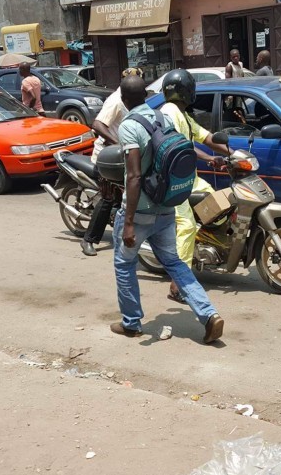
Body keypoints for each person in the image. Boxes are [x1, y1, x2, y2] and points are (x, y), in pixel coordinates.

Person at [111, 74, 225, 344]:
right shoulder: (162, 118)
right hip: (166, 206)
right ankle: (208, 314)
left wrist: (129, 222)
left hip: (140, 211)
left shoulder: (129, 126)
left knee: (124, 264)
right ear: (147, 96)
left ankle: (131, 323)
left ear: (124, 100)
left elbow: (134, 176)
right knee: (174, 263)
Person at [158, 69, 231, 303]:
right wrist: (209, 158)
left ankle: (205, 247)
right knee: (187, 226)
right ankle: (177, 286)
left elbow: (206, 137)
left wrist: (234, 154)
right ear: (188, 91)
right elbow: (181, 146)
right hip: (173, 184)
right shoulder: (169, 113)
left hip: (189, 178)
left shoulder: (183, 115)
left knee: (218, 204)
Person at [81, 68, 141, 257]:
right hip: (107, 157)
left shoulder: (136, 100)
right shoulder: (116, 101)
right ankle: (88, 239)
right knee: (109, 198)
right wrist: (117, 144)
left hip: (124, 156)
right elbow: (97, 125)